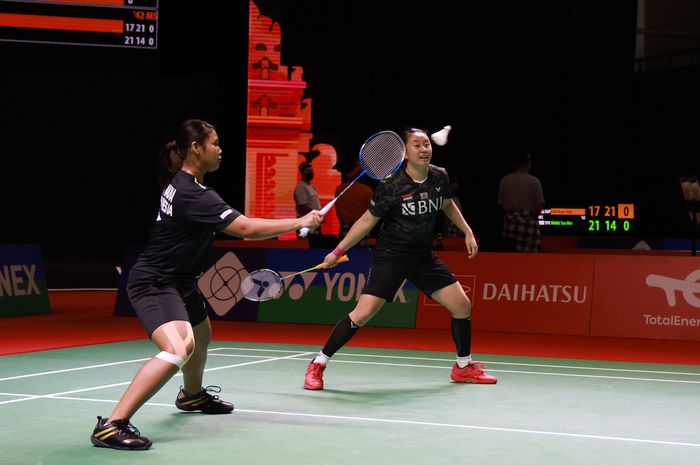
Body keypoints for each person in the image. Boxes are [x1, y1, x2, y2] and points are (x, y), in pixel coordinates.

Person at [90, 119, 323, 451]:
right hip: (156, 281)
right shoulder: (192, 193)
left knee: (201, 334)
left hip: (181, 279)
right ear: (196, 148)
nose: (220, 149)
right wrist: (300, 221)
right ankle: (112, 424)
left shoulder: (184, 183)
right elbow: (246, 228)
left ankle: (192, 396)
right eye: (215, 143)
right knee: (178, 349)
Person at [303, 127, 497, 391]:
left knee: (461, 306)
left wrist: (468, 231)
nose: (423, 149)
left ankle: (463, 367)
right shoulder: (391, 185)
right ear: (404, 152)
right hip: (391, 256)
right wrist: (338, 251)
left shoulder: (439, 176)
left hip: (422, 257)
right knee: (363, 314)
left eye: (426, 144)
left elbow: (447, 204)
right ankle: (318, 363)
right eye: (416, 145)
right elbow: (367, 221)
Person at [497, 150, 545, 252]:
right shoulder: (534, 182)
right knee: (530, 262)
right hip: (530, 227)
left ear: (514, 164)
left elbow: (500, 205)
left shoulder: (504, 181)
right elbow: (539, 207)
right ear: (529, 163)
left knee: (510, 259)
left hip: (509, 225)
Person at [334, 160, 373, 248]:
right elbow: (370, 213)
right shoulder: (366, 190)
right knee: (360, 257)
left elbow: (338, 211)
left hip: (345, 227)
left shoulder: (339, 189)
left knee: (343, 256)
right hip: (360, 228)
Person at [294, 161, 322, 236]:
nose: (310, 173)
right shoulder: (300, 188)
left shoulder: (312, 187)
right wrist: (317, 214)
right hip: (305, 221)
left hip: (314, 220)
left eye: (311, 171)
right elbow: (302, 206)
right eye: (308, 171)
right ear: (303, 173)